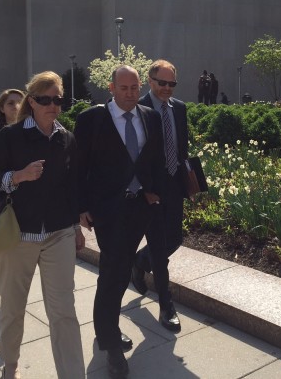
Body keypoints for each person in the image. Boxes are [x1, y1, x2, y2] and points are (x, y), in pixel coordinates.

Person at [0, 71, 85, 379]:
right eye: (45, 99)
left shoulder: (66, 138)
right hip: (16, 236)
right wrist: (18, 176)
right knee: (13, 309)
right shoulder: (10, 136)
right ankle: (10, 368)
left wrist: (76, 225)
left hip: (59, 234)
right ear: (32, 101)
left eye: (57, 100)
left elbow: (72, 186)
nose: (52, 106)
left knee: (64, 311)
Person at [74, 65, 164, 379]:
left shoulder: (150, 117)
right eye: (123, 88)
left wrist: (151, 191)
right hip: (108, 211)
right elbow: (78, 165)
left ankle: (105, 328)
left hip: (139, 208)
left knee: (120, 270)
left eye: (134, 88)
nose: (129, 94)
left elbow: (153, 158)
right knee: (113, 273)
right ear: (111, 88)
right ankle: (111, 347)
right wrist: (81, 207)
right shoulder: (91, 119)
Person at [132, 60, 188, 333]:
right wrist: (143, 187)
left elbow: (182, 147)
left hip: (175, 184)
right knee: (158, 247)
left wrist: (188, 179)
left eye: (171, 83)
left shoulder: (179, 108)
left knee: (175, 239)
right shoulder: (138, 108)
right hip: (150, 189)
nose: (166, 88)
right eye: (161, 83)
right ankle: (166, 305)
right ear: (150, 81)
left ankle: (140, 261)